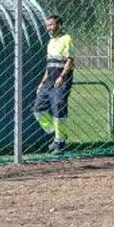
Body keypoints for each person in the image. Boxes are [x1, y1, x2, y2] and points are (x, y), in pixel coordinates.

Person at [34, 14, 74, 155]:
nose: (48, 28)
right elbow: (49, 65)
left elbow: (70, 61)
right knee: (38, 109)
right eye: (47, 26)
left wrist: (62, 77)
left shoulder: (66, 39)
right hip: (49, 80)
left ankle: (60, 141)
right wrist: (42, 82)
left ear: (59, 24)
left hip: (61, 80)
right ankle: (57, 135)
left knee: (58, 106)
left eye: (51, 25)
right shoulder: (50, 42)